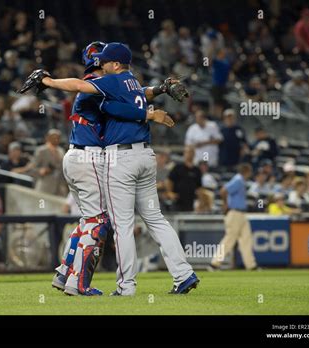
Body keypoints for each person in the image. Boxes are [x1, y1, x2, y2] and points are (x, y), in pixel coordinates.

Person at [40, 42, 199, 296]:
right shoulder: (132, 81)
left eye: (105, 61)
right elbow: (138, 97)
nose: (100, 64)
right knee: (155, 218)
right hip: (146, 155)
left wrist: (47, 81)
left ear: (115, 64)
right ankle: (184, 274)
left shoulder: (111, 81)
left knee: (122, 225)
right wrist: (158, 94)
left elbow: (78, 85)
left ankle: (126, 286)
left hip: (121, 159)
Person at [209, 163, 258, 271]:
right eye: (249, 171)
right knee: (229, 239)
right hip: (235, 213)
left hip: (241, 214)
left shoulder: (240, 180)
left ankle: (251, 265)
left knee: (246, 239)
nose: (250, 174)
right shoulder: (238, 180)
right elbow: (223, 190)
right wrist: (225, 204)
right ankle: (214, 263)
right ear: (246, 171)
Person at [166, 146, 202, 212]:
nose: (189, 154)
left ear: (194, 154)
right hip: (178, 199)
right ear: (184, 154)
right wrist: (170, 193)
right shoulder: (177, 167)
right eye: (187, 152)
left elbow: (199, 187)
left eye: (191, 152)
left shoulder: (197, 170)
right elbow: (169, 180)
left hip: (190, 199)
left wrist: (199, 201)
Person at [32, 129, 67, 196]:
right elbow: (33, 168)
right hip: (45, 185)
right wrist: (41, 171)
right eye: (53, 137)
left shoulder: (61, 151)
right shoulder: (41, 150)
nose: (56, 139)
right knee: (42, 206)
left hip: (59, 186)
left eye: (58, 138)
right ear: (47, 138)